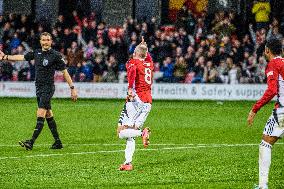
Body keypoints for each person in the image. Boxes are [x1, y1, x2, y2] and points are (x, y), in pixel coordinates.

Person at [0, 32, 78, 150]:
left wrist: (72, 88)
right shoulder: (36, 53)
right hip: (39, 88)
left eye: (48, 40)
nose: (45, 42)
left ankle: (31, 142)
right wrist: (5, 57)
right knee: (48, 114)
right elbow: (21, 57)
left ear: (51, 41)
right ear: (40, 41)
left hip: (48, 88)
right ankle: (58, 142)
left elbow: (65, 72)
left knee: (40, 113)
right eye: (43, 40)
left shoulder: (56, 55)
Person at [247, 37, 284, 189]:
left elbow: (271, 90)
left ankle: (263, 185)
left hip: (282, 111)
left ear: (267, 50)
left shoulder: (273, 64)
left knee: (265, 143)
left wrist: (255, 109)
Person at [117, 37, 153, 171]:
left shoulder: (133, 62)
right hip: (148, 103)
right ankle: (128, 163)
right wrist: (144, 46)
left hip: (137, 100)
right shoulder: (149, 63)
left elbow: (131, 72)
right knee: (129, 134)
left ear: (136, 54)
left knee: (121, 132)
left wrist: (130, 89)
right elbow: (146, 56)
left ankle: (142, 134)